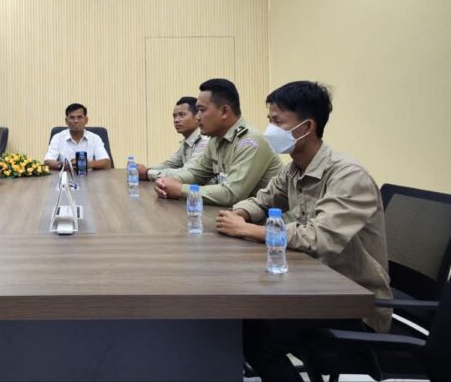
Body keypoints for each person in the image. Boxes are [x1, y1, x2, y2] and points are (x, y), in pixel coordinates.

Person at [215, 81, 391, 381]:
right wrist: (240, 213)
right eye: (269, 120)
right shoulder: (294, 169)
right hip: (311, 287)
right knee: (244, 321)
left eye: (278, 122)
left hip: (354, 304)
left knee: (255, 336)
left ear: (307, 126)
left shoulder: (348, 175)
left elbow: (319, 238)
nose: (270, 130)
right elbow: (263, 200)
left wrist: (247, 230)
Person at [153, 79, 282, 205]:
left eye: (202, 110)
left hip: (271, 218)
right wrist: (167, 182)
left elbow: (232, 194)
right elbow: (195, 173)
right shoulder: (215, 140)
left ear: (224, 111)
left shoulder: (249, 141)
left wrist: (181, 190)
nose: (197, 118)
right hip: (239, 215)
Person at [136, 96, 208, 181]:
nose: (176, 120)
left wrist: (148, 173)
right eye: (174, 116)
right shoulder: (187, 141)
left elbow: (187, 173)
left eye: (181, 115)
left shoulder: (204, 141)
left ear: (197, 116)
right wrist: (145, 170)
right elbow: (171, 164)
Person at [43, 103, 111, 170]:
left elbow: (107, 163)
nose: (76, 121)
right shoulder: (57, 138)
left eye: (79, 117)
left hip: (89, 176)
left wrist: (86, 164)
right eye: (72, 118)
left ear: (86, 120)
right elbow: (47, 162)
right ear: (66, 121)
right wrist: (64, 165)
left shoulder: (95, 138)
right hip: (65, 175)